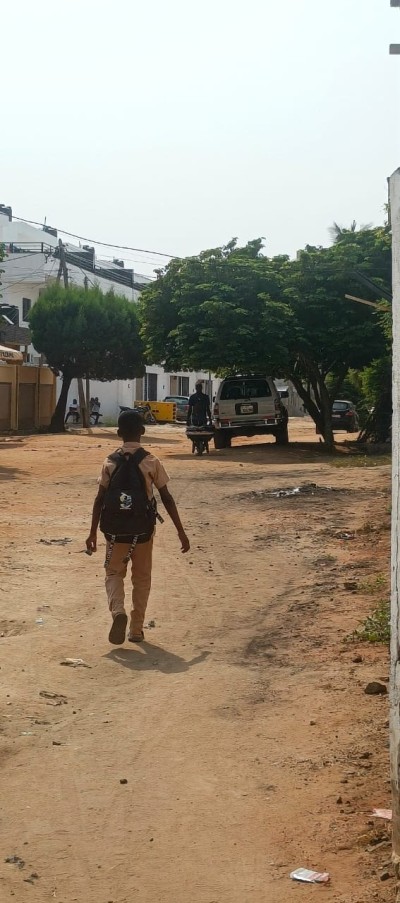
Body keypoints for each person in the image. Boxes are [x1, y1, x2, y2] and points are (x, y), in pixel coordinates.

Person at [86, 410, 190, 645]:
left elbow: (99, 499)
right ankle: (135, 630)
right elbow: (167, 498)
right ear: (142, 431)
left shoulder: (109, 461)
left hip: (114, 532)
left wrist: (92, 533)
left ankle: (118, 611)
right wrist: (181, 532)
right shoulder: (151, 461)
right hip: (143, 531)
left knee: (114, 573)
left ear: (118, 433)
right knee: (141, 579)